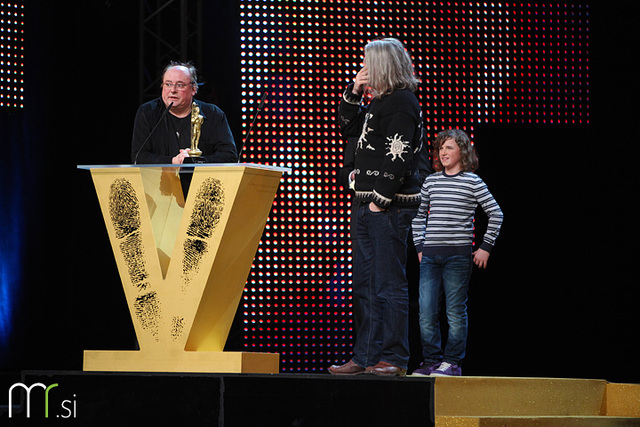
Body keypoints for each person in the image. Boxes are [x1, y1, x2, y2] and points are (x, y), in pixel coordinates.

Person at [329, 38, 425, 377]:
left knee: (389, 283)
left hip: (388, 207)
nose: (363, 69)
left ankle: (394, 358)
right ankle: (366, 356)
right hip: (365, 203)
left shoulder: (401, 102)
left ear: (383, 65)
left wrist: (379, 201)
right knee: (365, 284)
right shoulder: (379, 102)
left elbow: (398, 157)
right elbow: (347, 127)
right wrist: (354, 90)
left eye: (368, 63)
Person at [410, 128, 503, 376]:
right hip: (430, 256)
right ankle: (431, 360)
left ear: (463, 151)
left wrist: (485, 247)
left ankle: (452, 363)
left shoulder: (473, 181)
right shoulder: (431, 181)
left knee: (454, 311)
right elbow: (418, 218)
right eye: (440, 148)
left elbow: (496, 214)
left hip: (458, 257)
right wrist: (420, 247)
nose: (443, 152)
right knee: (426, 311)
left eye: (449, 147)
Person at [131, 61, 238, 164]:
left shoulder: (213, 114)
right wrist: (173, 162)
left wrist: (195, 162)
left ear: (194, 89)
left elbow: (229, 155)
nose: (173, 90)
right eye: (168, 84)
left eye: (180, 85)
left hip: (200, 180)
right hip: (160, 181)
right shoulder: (148, 112)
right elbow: (139, 157)